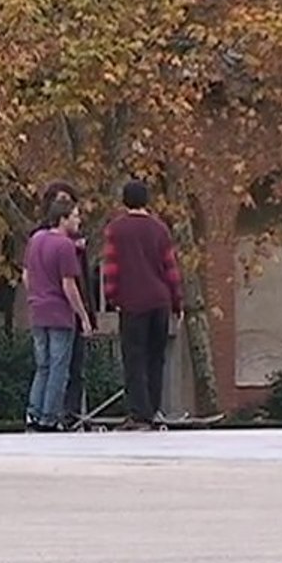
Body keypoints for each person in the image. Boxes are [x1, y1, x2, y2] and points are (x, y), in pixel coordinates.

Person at [102, 179, 184, 429]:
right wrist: (177, 302)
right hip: (159, 300)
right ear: (146, 200)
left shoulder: (116, 230)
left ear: (124, 201)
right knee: (155, 357)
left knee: (134, 357)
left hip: (132, 302)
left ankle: (140, 413)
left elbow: (111, 267)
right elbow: (171, 268)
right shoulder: (160, 230)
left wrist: (112, 297)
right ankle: (154, 407)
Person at [22, 195, 94, 431]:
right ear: (63, 219)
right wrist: (83, 316)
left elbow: (26, 276)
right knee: (58, 367)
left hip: (37, 310)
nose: (78, 220)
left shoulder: (35, 240)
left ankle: (33, 413)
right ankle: (50, 417)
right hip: (59, 314)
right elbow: (69, 285)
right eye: (74, 216)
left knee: (42, 365)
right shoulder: (64, 246)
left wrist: (35, 295)